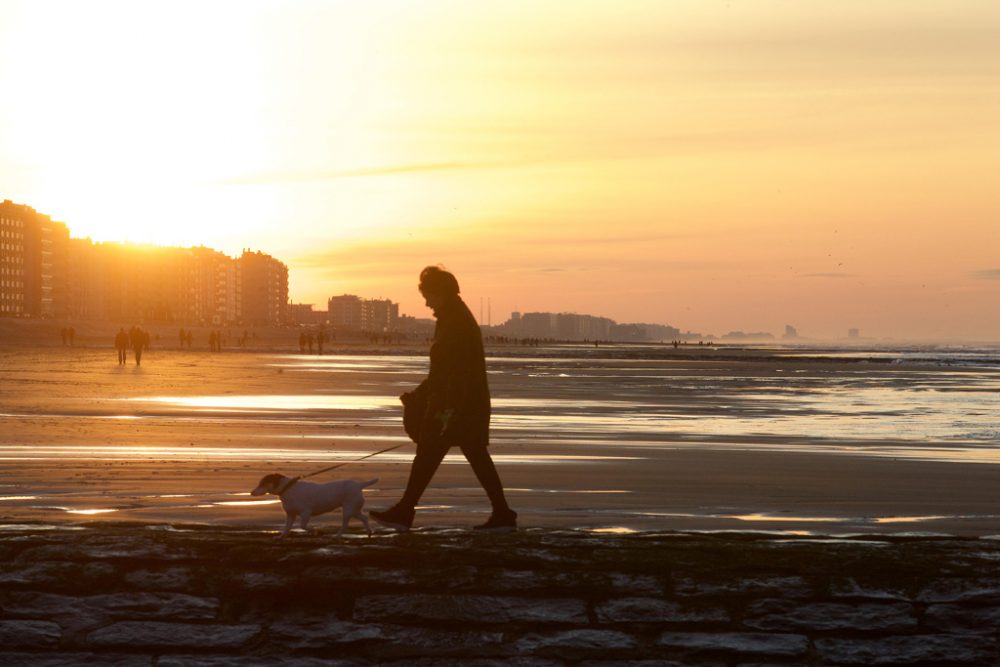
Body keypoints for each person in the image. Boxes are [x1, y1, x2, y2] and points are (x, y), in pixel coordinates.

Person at [371, 266, 517, 532]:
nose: (426, 302)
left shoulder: (456, 321)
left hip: (455, 405)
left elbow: (453, 370)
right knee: (454, 455)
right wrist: (422, 394)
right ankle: (502, 513)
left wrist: (444, 406)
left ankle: (406, 511)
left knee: (435, 454)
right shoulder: (452, 317)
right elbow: (444, 370)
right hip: (460, 403)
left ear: (441, 293)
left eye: (428, 295)